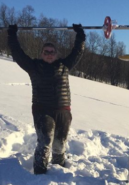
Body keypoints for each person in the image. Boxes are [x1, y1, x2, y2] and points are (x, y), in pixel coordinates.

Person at [7, 23, 86, 174]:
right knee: (45, 141)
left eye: (52, 51)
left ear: (56, 54)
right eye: (46, 51)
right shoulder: (33, 66)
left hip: (63, 110)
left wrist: (80, 34)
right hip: (42, 110)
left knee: (60, 144)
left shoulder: (65, 66)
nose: (49, 54)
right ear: (41, 53)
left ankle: (58, 170)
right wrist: (12, 35)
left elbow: (78, 51)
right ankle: (39, 172)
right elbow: (18, 53)